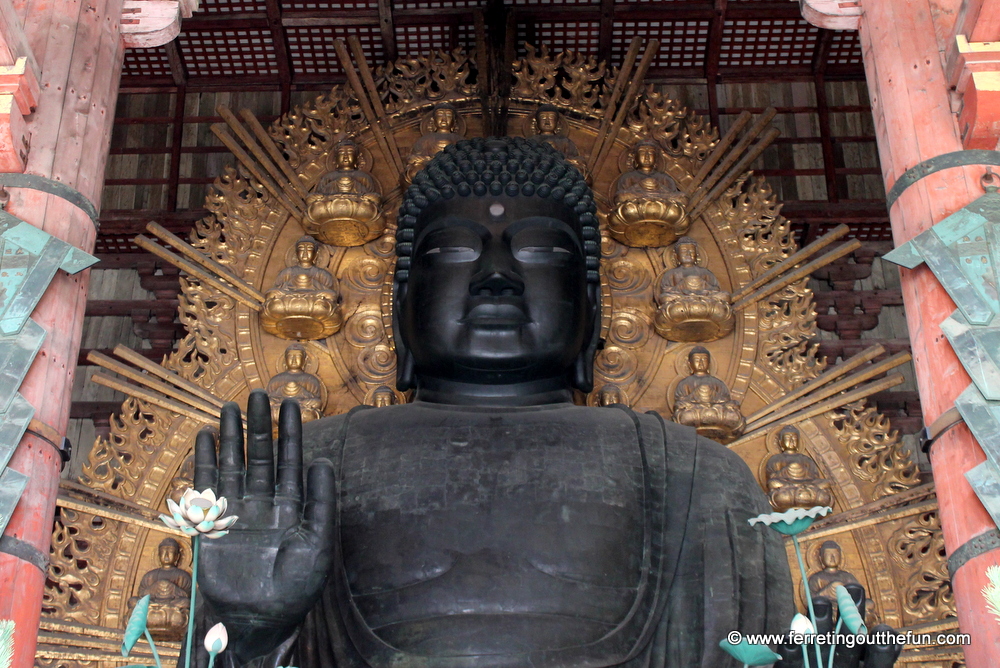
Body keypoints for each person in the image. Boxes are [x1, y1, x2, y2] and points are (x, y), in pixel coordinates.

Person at [193, 137, 898, 668]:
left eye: (538, 255)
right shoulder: (299, 477)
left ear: (593, 312)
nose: (497, 277)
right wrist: (252, 635)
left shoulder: (698, 478)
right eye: (455, 254)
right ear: (398, 307)